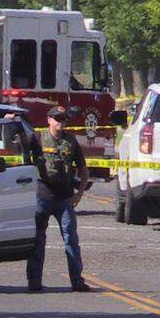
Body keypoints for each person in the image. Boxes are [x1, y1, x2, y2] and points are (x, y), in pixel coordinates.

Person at [26, 106, 92, 293]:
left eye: (63, 119)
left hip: (64, 198)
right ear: (49, 120)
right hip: (43, 196)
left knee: (71, 239)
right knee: (37, 240)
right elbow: (12, 145)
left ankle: (77, 281)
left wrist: (79, 193)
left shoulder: (71, 141)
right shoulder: (37, 138)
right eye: (56, 119)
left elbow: (83, 168)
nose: (60, 122)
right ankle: (34, 281)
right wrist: (9, 125)